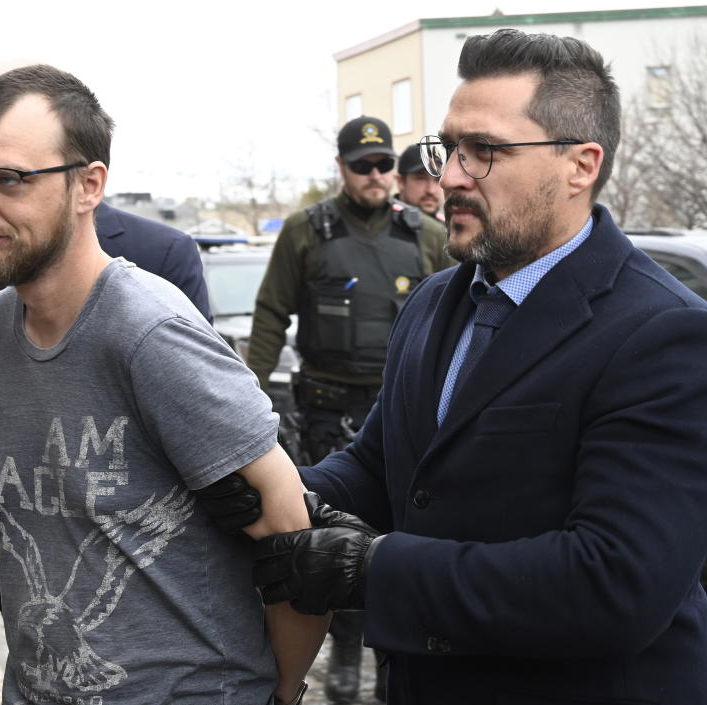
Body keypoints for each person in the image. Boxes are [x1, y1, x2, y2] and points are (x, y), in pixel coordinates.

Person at [252, 28, 707, 704]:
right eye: (451, 148)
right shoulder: (437, 301)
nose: (451, 176)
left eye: (485, 152)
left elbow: (616, 581)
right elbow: (382, 468)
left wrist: (376, 569)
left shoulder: (663, 333)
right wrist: (264, 491)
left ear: (580, 166)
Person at [0, 64, 328, 705]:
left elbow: (293, 535)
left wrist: (279, 693)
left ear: (89, 185)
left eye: (8, 179)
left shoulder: (152, 331)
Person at [0, 61, 213, 670]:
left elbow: (221, 460)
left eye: (4, 173)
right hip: (31, 594)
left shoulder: (161, 256)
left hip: (156, 603)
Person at [246, 115, 454, 703]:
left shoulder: (427, 236)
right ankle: (338, 646)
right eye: (362, 166)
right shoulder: (306, 231)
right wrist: (250, 401)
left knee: (399, 534)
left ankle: (397, 654)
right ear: (341, 168)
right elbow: (270, 317)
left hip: (403, 410)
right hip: (326, 411)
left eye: (384, 164)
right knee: (321, 531)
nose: (376, 175)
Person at [395, 144, 444, 220]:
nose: (431, 190)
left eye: (438, 179)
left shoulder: (448, 226)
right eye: (421, 178)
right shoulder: (380, 225)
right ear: (401, 182)